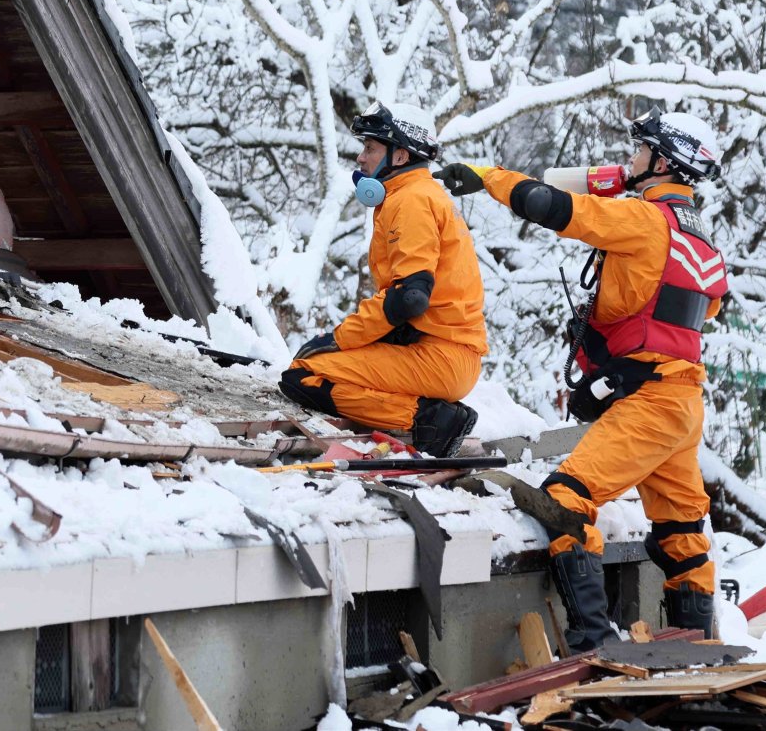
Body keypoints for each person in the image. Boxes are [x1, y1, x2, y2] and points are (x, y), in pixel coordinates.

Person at [438, 109, 728, 651]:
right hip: (683, 402)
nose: (630, 159)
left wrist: (488, 177)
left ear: (663, 161)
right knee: (682, 534)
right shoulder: (702, 243)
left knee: (565, 499)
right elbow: (686, 317)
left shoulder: (642, 220)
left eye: (640, 151)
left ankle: (594, 642)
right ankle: (699, 649)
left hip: (650, 401)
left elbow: (556, 208)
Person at [279, 102, 487, 457]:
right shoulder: (419, 195)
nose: (361, 158)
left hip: (440, 356)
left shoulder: (410, 201)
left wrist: (339, 339)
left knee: (303, 376)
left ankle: (429, 420)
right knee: (314, 366)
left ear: (401, 156)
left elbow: (409, 297)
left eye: (370, 148)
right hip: (444, 351)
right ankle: (427, 412)